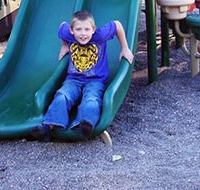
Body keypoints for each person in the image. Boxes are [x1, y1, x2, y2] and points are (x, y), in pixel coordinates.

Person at [30, 10, 134, 141]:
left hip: (95, 81)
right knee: (62, 95)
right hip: (73, 79)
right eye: (78, 29)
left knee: (91, 100)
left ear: (93, 29)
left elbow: (117, 24)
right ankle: (48, 127)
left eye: (87, 29)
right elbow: (61, 26)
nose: (83, 34)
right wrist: (64, 45)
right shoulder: (67, 33)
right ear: (72, 30)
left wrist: (124, 48)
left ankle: (85, 124)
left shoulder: (100, 35)